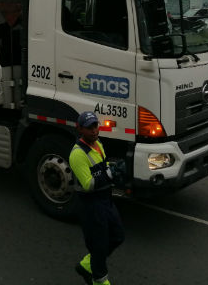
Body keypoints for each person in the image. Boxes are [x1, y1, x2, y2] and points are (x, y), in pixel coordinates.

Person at [70, 111, 124, 285]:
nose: (94, 131)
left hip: (106, 200)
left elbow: (105, 165)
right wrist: (110, 174)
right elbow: (88, 184)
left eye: (95, 126)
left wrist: (115, 172)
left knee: (117, 236)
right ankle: (99, 280)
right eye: (89, 128)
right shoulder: (77, 154)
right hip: (91, 205)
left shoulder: (99, 144)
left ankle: (88, 263)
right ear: (80, 129)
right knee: (99, 247)